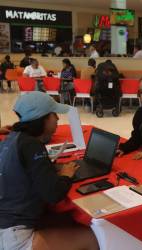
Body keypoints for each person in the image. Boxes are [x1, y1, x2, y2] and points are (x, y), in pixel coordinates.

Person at [0, 91, 99, 250]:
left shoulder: (13, 138)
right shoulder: (32, 145)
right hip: (14, 237)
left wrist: (48, 170)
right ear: (43, 119)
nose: (58, 119)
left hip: (7, 225)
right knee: (93, 238)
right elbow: (53, 194)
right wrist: (66, 175)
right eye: (54, 114)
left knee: (66, 219)